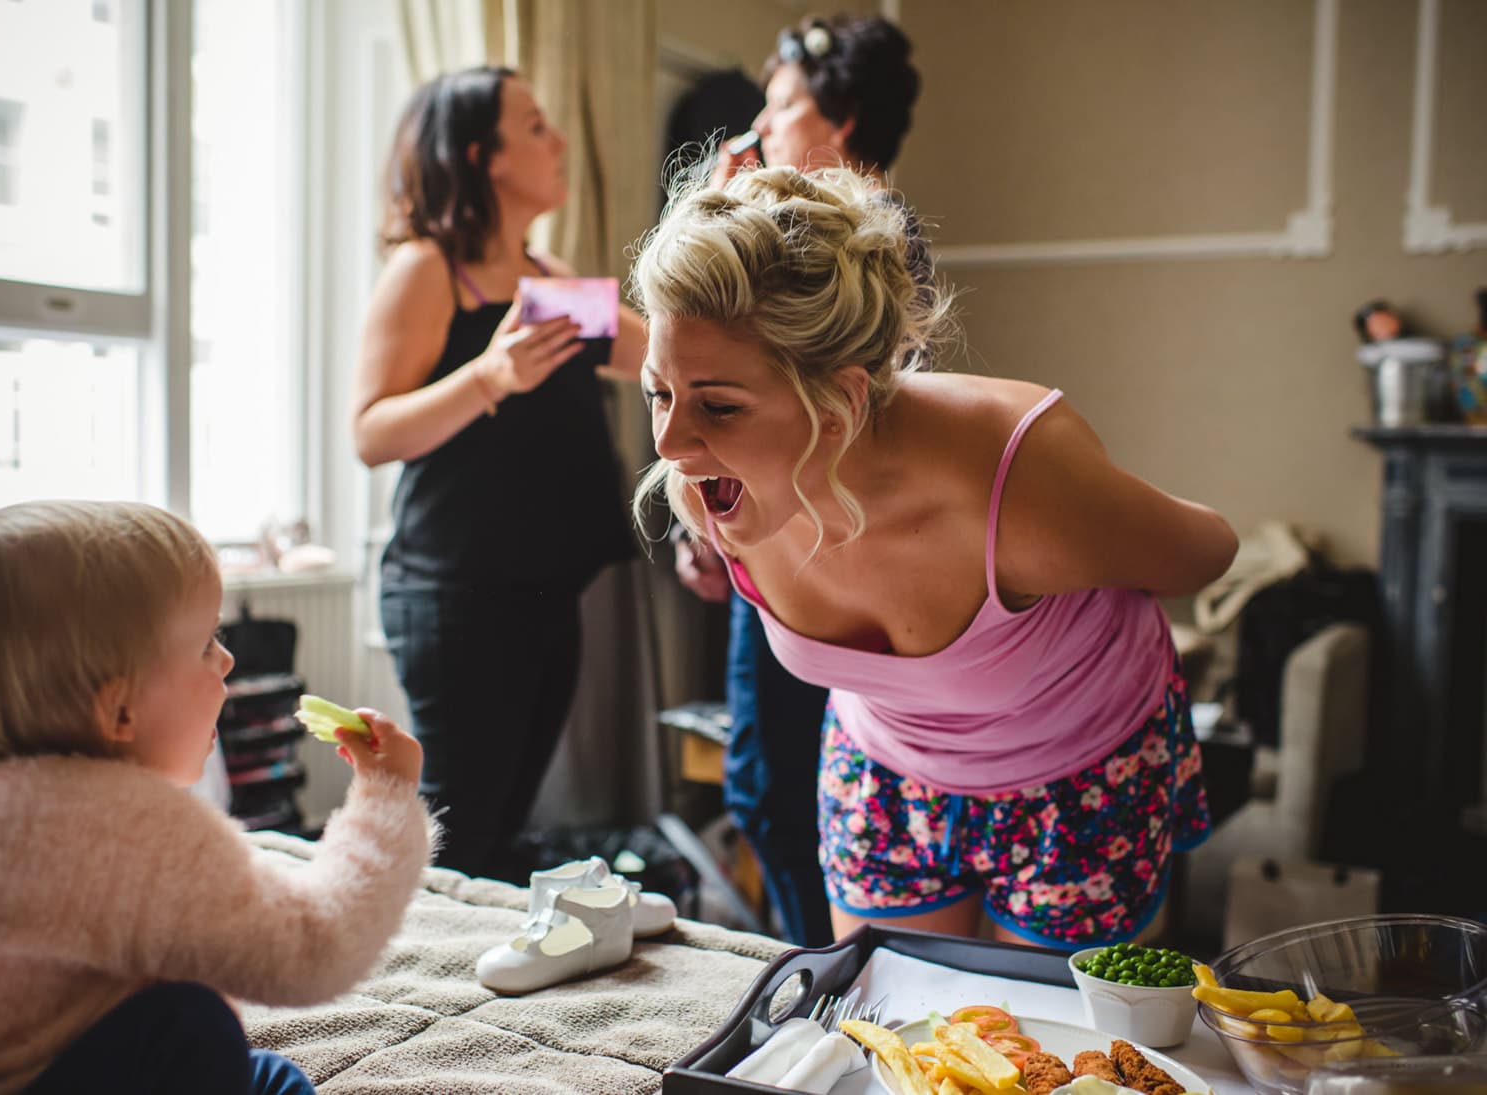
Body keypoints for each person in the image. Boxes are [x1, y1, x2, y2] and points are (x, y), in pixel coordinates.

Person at [631, 165, 1236, 950]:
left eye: (717, 405)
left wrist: (1098, 521)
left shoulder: (1015, 481)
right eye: (657, 393)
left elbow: (1206, 550)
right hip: (884, 769)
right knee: (894, 1030)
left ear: (843, 400)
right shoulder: (718, 483)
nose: (671, 444)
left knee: (1038, 1062)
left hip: (1081, 773)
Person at [0, 500, 433, 1095]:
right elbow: (316, 949)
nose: (228, 660)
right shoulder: (127, 831)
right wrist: (386, 796)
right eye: (207, 643)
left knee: (265, 1075)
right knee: (191, 1021)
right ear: (120, 709)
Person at [353, 67, 646, 880]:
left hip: (549, 591)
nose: (558, 142)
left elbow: (658, 351)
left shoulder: (548, 279)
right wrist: (488, 377)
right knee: (460, 829)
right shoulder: (427, 271)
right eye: (536, 126)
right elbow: (371, 432)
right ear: (483, 156)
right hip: (454, 599)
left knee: (505, 823)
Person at [669, 13, 922, 948]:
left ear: (843, 120)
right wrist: (712, 522)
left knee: (783, 782)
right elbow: (724, 405)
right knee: (769, 783)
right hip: (771, 542)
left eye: (780, 107)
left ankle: (827, 961)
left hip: (831, 549)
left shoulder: (871, 255)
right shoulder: (779, 233)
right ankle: (818, 957)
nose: (755, 131)